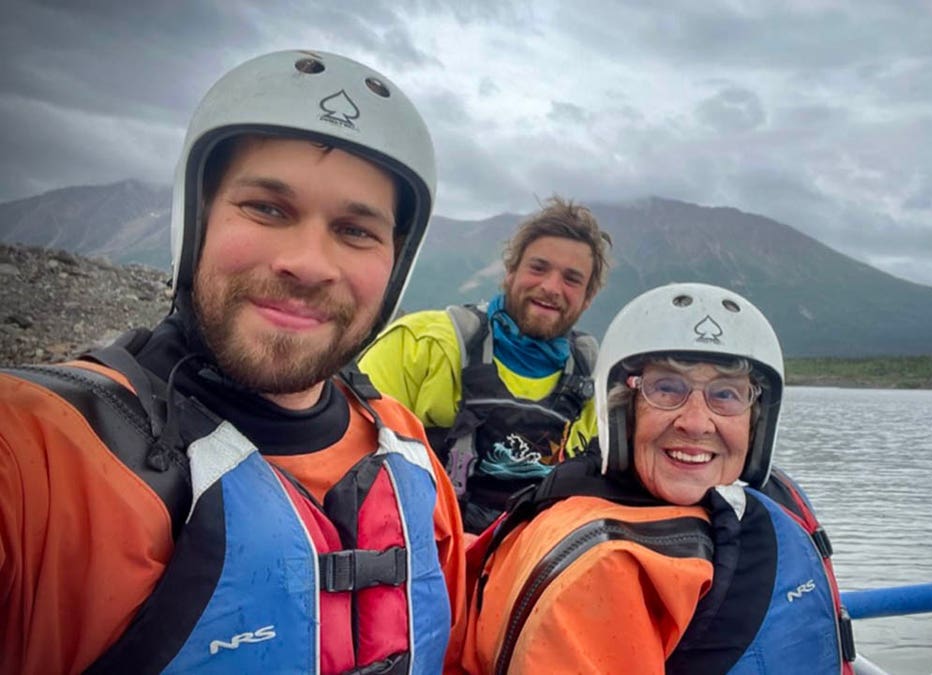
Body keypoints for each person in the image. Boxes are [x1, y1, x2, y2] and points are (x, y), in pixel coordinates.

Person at [0, 50, 466, 674]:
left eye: (356, 231)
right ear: (198, 221)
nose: (308, 262)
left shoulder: (408, 450)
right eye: (267, 209)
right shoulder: (39, 447)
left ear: (394, 267)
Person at [458, 282, 856, 674]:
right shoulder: (603, 567)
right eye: (666, 388)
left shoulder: (759, 502)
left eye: (726, 394)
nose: (697, 423)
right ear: (622, 410)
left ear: (757, 421)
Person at [358, 198, 612, 534]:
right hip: (424, 554)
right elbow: (351, 456)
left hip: (535, 568)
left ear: (588, 296)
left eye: (571, 279)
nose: (551, 287)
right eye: (538, 268)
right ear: (509, 274)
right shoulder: (419, 345)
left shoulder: (598, 382)